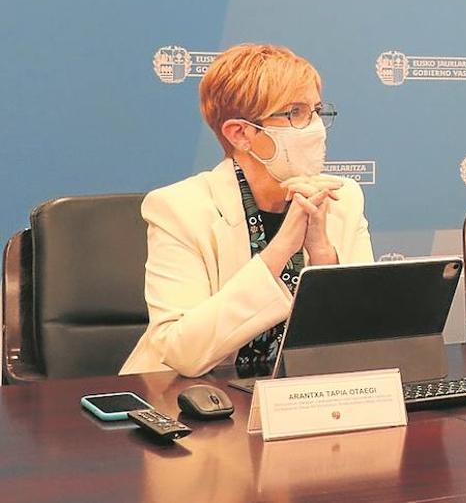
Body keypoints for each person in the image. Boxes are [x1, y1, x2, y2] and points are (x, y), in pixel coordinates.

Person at [121, 43, 373, 376]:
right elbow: (182, 353)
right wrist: (280, 250)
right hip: (194, 401)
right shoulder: (179, 208)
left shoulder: (343, 198)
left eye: (315, 111)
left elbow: (367, 338)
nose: (314, 127)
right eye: (295, 113)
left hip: (305, 399)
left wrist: (323, 254)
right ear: (241, 133)